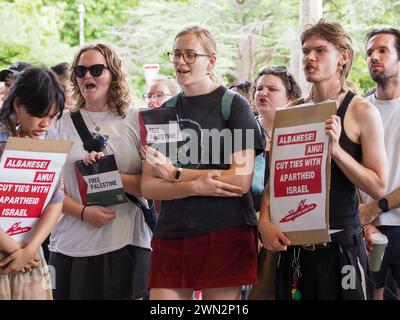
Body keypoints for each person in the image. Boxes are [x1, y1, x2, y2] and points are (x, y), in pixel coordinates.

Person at [258, 19, 388, 300]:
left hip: (341, 245)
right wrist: (264, 221)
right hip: (295, 249)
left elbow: (378, 186)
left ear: (343, 57)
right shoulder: (292, 112)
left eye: (319, 51)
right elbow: (276, 179)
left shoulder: (361, 111)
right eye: (305, 51)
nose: (309, 58)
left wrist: (337, 152)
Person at [140, 25, 264, 300]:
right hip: (172, 231)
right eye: (176, 54)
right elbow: (148, 185)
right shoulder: (164, 110)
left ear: (212, 61)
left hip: (225, 232)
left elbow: (240, 181)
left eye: (190, 55)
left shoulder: (235, 105)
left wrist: (175, 173)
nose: (181, 62)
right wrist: (195, 186)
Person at [48, 42, 152, 300]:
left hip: (125, 242)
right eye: (81, 71)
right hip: (71, 245)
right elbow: (49, 187)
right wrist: (83, 213)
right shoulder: (59, 123)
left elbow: (150, 185)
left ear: (113, 74)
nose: (87, 77)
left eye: (96, 69)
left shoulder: (136, 119)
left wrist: (109, 172)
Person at [0, 67, 65, 299]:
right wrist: (15, 250)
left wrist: (29, 250)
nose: (46, 124)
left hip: (31, 254)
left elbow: (57, 199)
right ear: (18, 105)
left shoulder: (51, 136)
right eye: (40, 115)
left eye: (52, 117)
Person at [360, 27, 400, 300]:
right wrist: (363, 221)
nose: (374, 56)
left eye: (383, 50)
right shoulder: (360, 109)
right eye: (370, 52)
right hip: (366, 231)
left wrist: (376, 206)